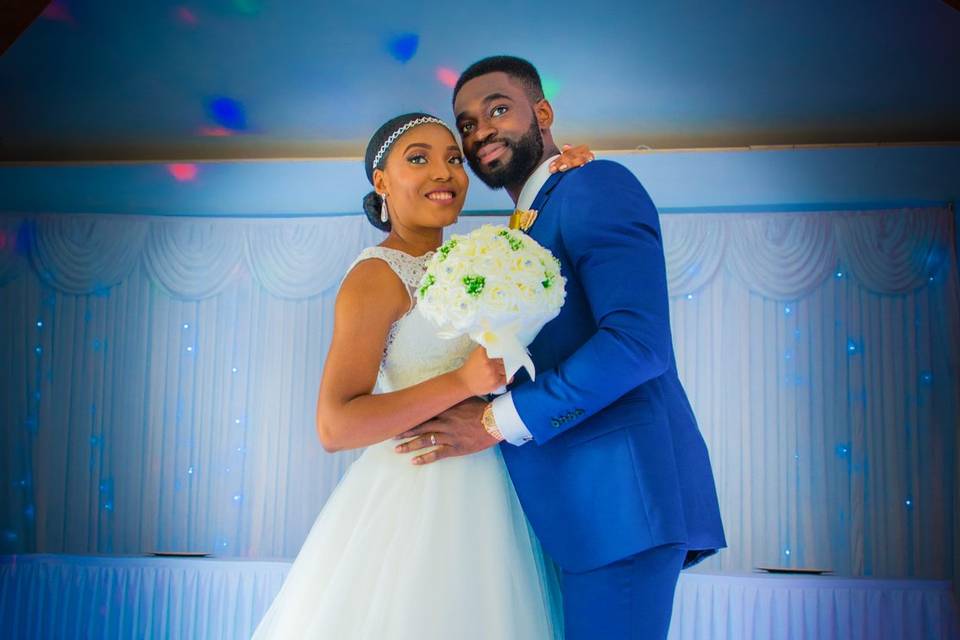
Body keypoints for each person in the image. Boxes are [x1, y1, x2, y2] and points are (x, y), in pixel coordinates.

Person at [396, 56, 727, 639]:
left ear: (542, 113)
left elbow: (635, 343)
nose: (480, 132)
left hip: (619, 507)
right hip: (570, 513)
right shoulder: (524, 227)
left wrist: (496, 420)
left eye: (498, 109)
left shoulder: (596, 184)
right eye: (467, 124)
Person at [251, 113, 592, 639]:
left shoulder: (480, 259)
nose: (445, 172)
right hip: (421, 500)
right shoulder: (376, 275)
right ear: (381, 182)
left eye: (454, 159)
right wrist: (461, 382)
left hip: (500, 485)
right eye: (419, 158)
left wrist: (566, 175)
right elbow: (335, 425)